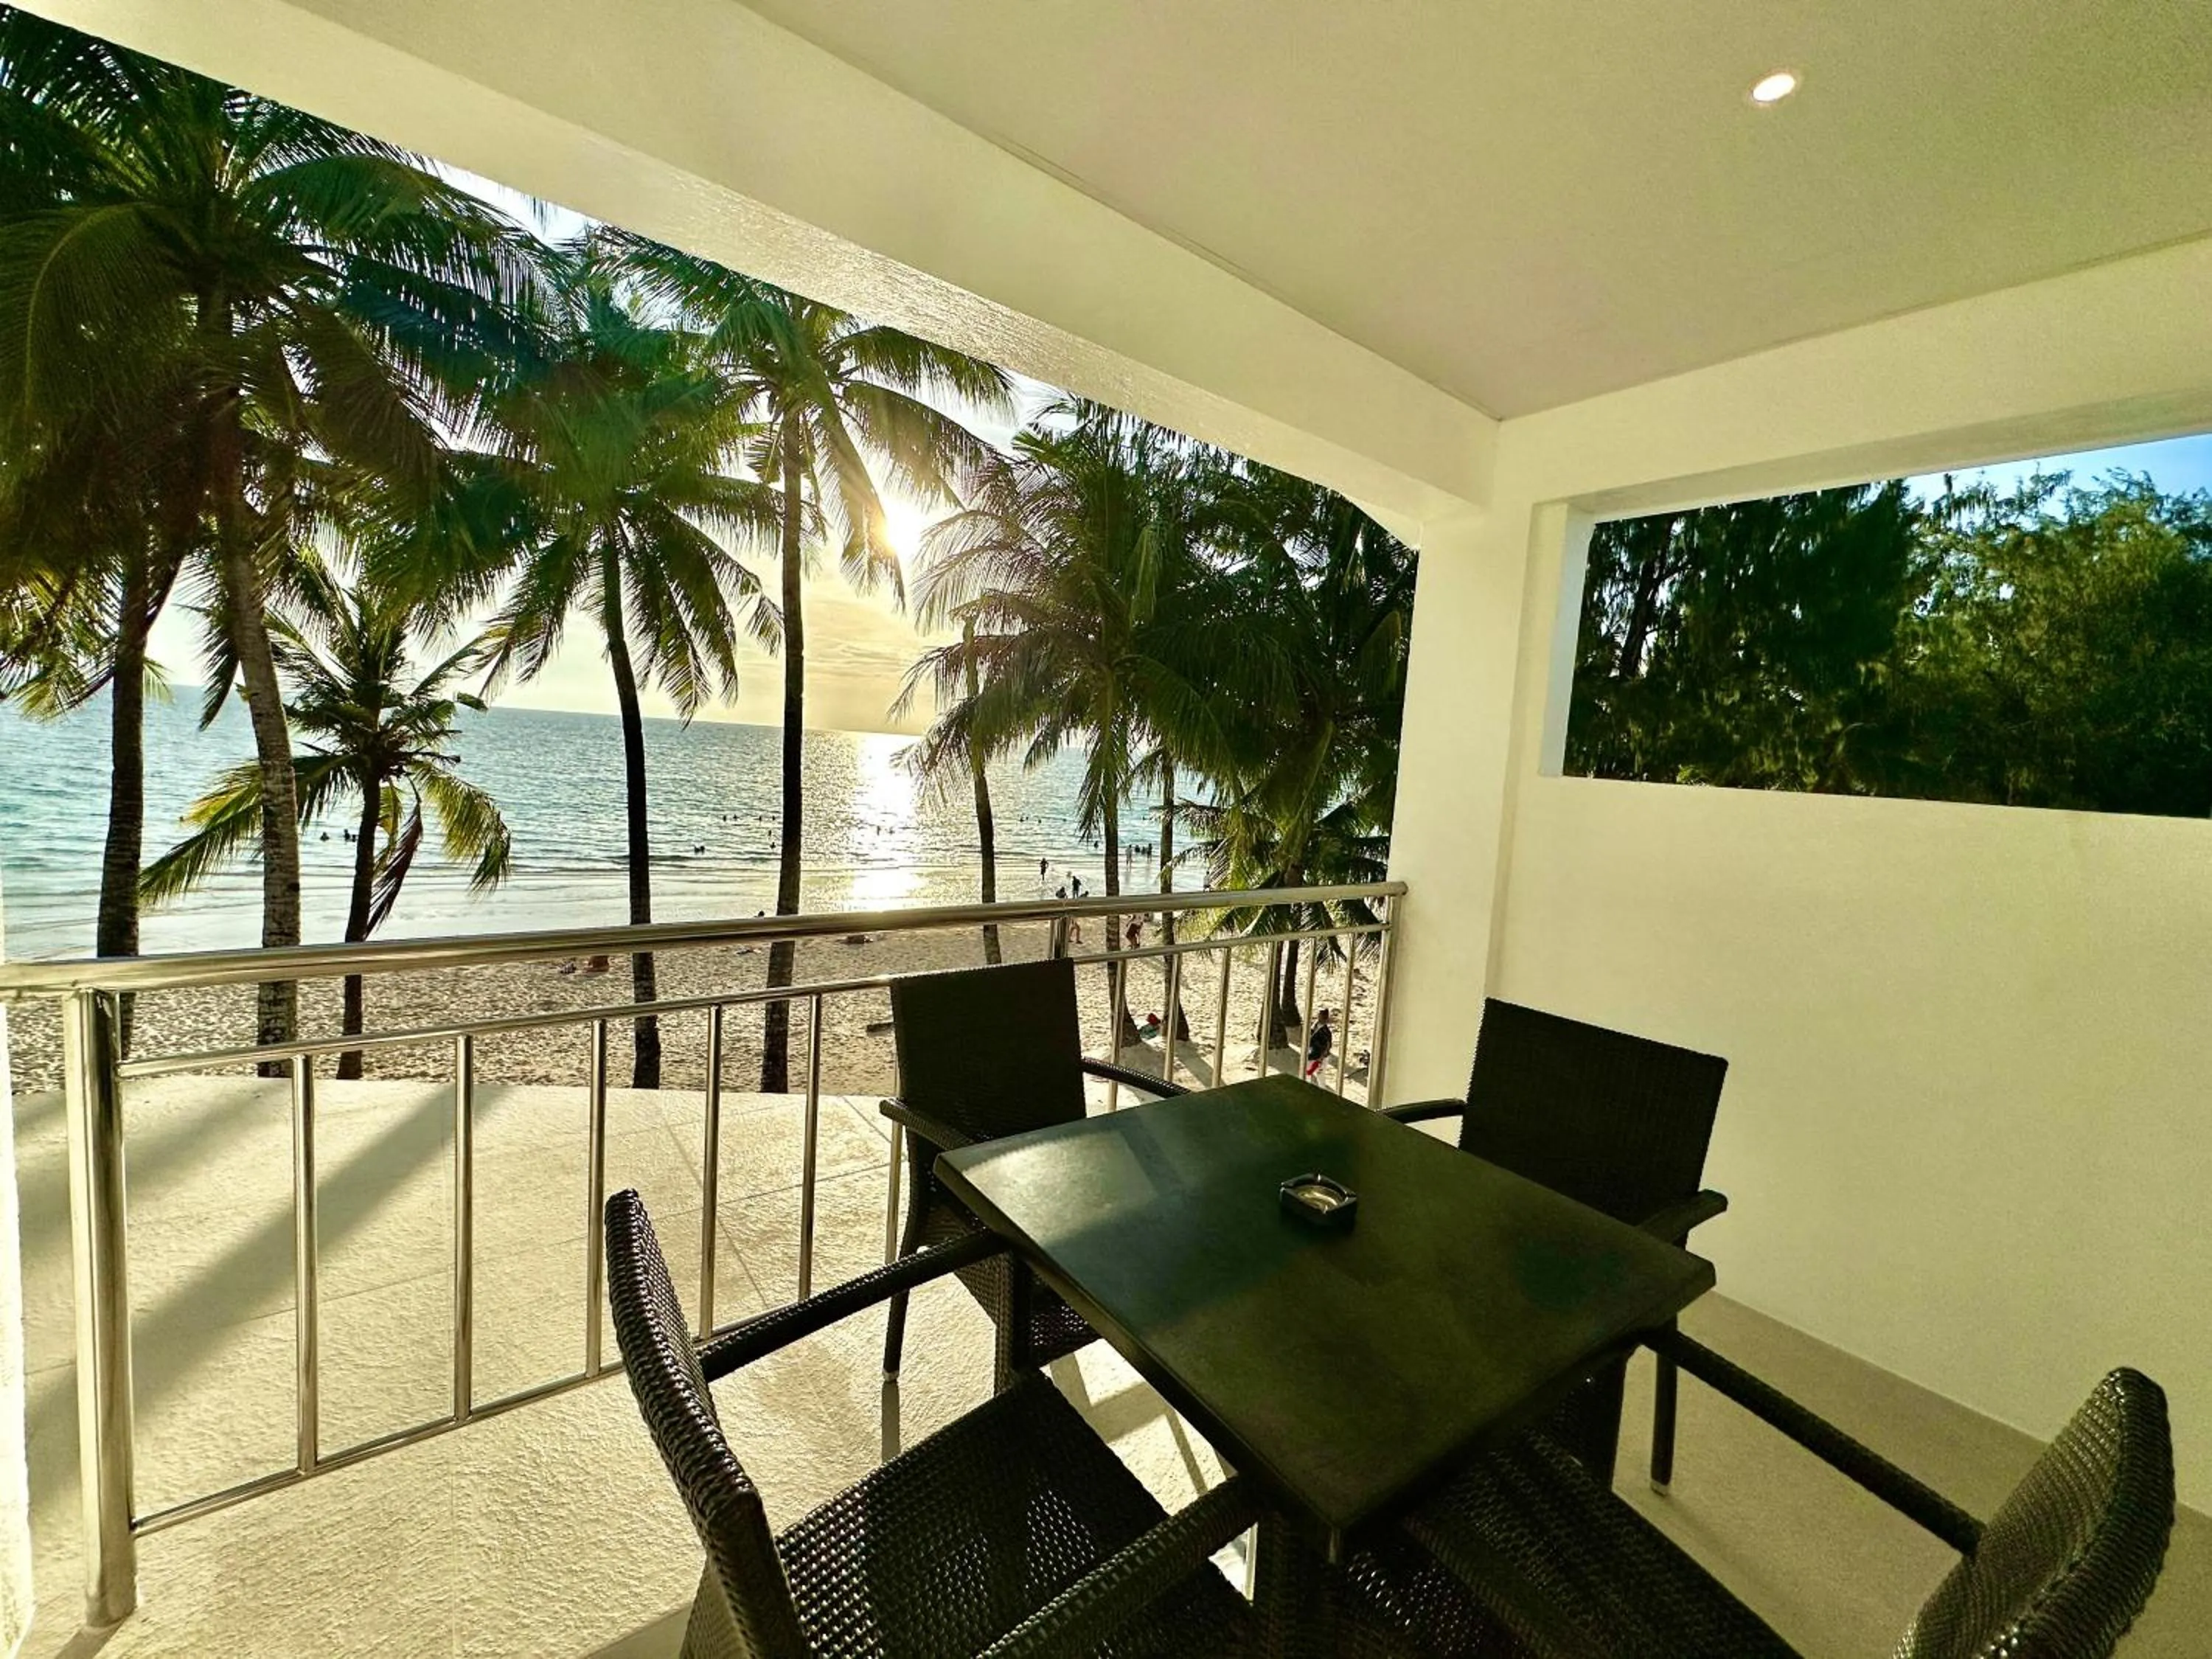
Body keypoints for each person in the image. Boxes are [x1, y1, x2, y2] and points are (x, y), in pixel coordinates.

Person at [1303, 1008, 1335, 1080]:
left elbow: (1328, 1046)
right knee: (1307, 1075)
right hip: (1311, 1054)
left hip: (1320, 1056)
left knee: (1320, 1077)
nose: (1320, 1018)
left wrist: (1321, 1058)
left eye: (1322, 1016)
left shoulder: (1326, 1032)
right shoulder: (1313, 1026)